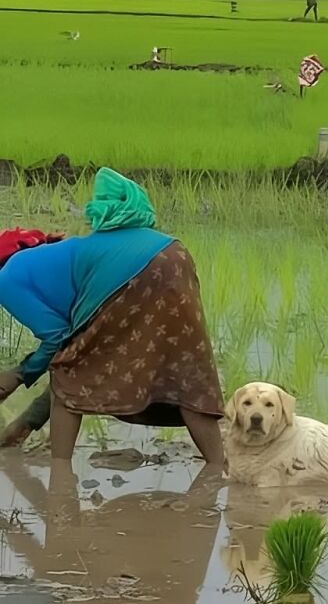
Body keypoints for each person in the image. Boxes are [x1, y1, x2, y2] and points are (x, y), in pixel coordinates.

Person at [0, 168, 225, 467]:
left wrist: (18, 375)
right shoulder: (60, 256)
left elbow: (57, 341)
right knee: (186, 372)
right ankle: (219, 470)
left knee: (69, 373)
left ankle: (60, 478)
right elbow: (68, 341)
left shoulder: (7, 278)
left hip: (123, 275)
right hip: (175, 256)